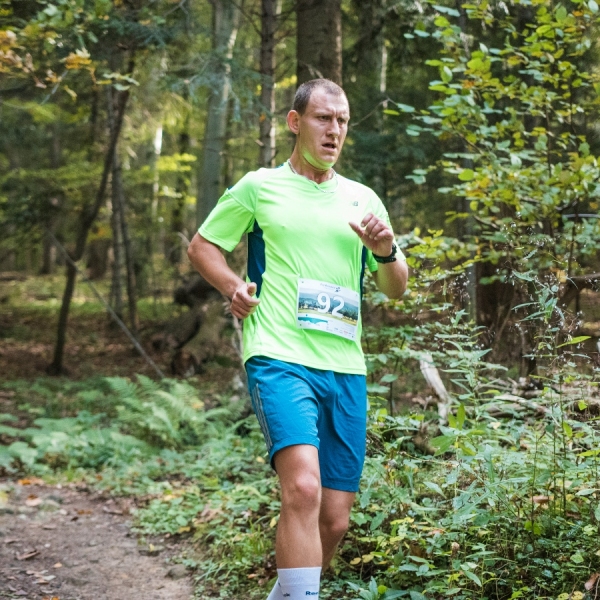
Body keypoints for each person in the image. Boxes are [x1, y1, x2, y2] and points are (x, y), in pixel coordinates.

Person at [187, 78, 408, 600]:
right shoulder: (259, 187)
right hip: (278, 354)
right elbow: (202, 246)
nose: (334, 131)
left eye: (342, 121)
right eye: (323, 119)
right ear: (295, 122)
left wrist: (385, 250)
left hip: (345, 365)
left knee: (334, 519)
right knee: (303, 489)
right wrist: (234, 286)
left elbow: (395, 287)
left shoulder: (362, 199)